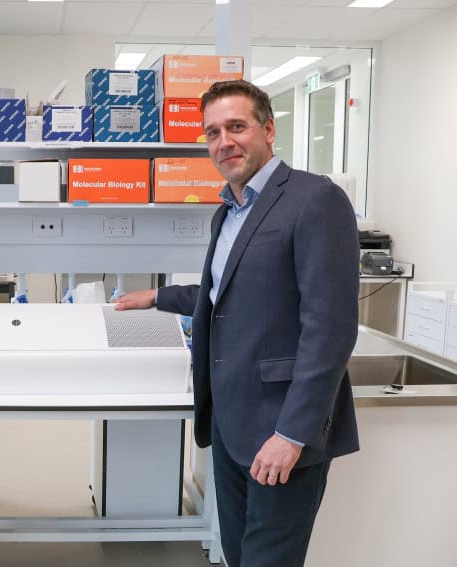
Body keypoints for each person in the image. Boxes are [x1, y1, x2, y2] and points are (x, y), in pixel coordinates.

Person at [113, 79, 359, 567]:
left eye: (236, 127)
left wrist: (291, 435)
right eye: (212, 133)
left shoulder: (315, 200)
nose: (223, 141)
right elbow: (226, 294)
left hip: (280, 429)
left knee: (269, 559)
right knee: (235, 552)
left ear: (268, 130)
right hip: (230, 424)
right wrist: (157, 296)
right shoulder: (228, 210)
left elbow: (330, 329)